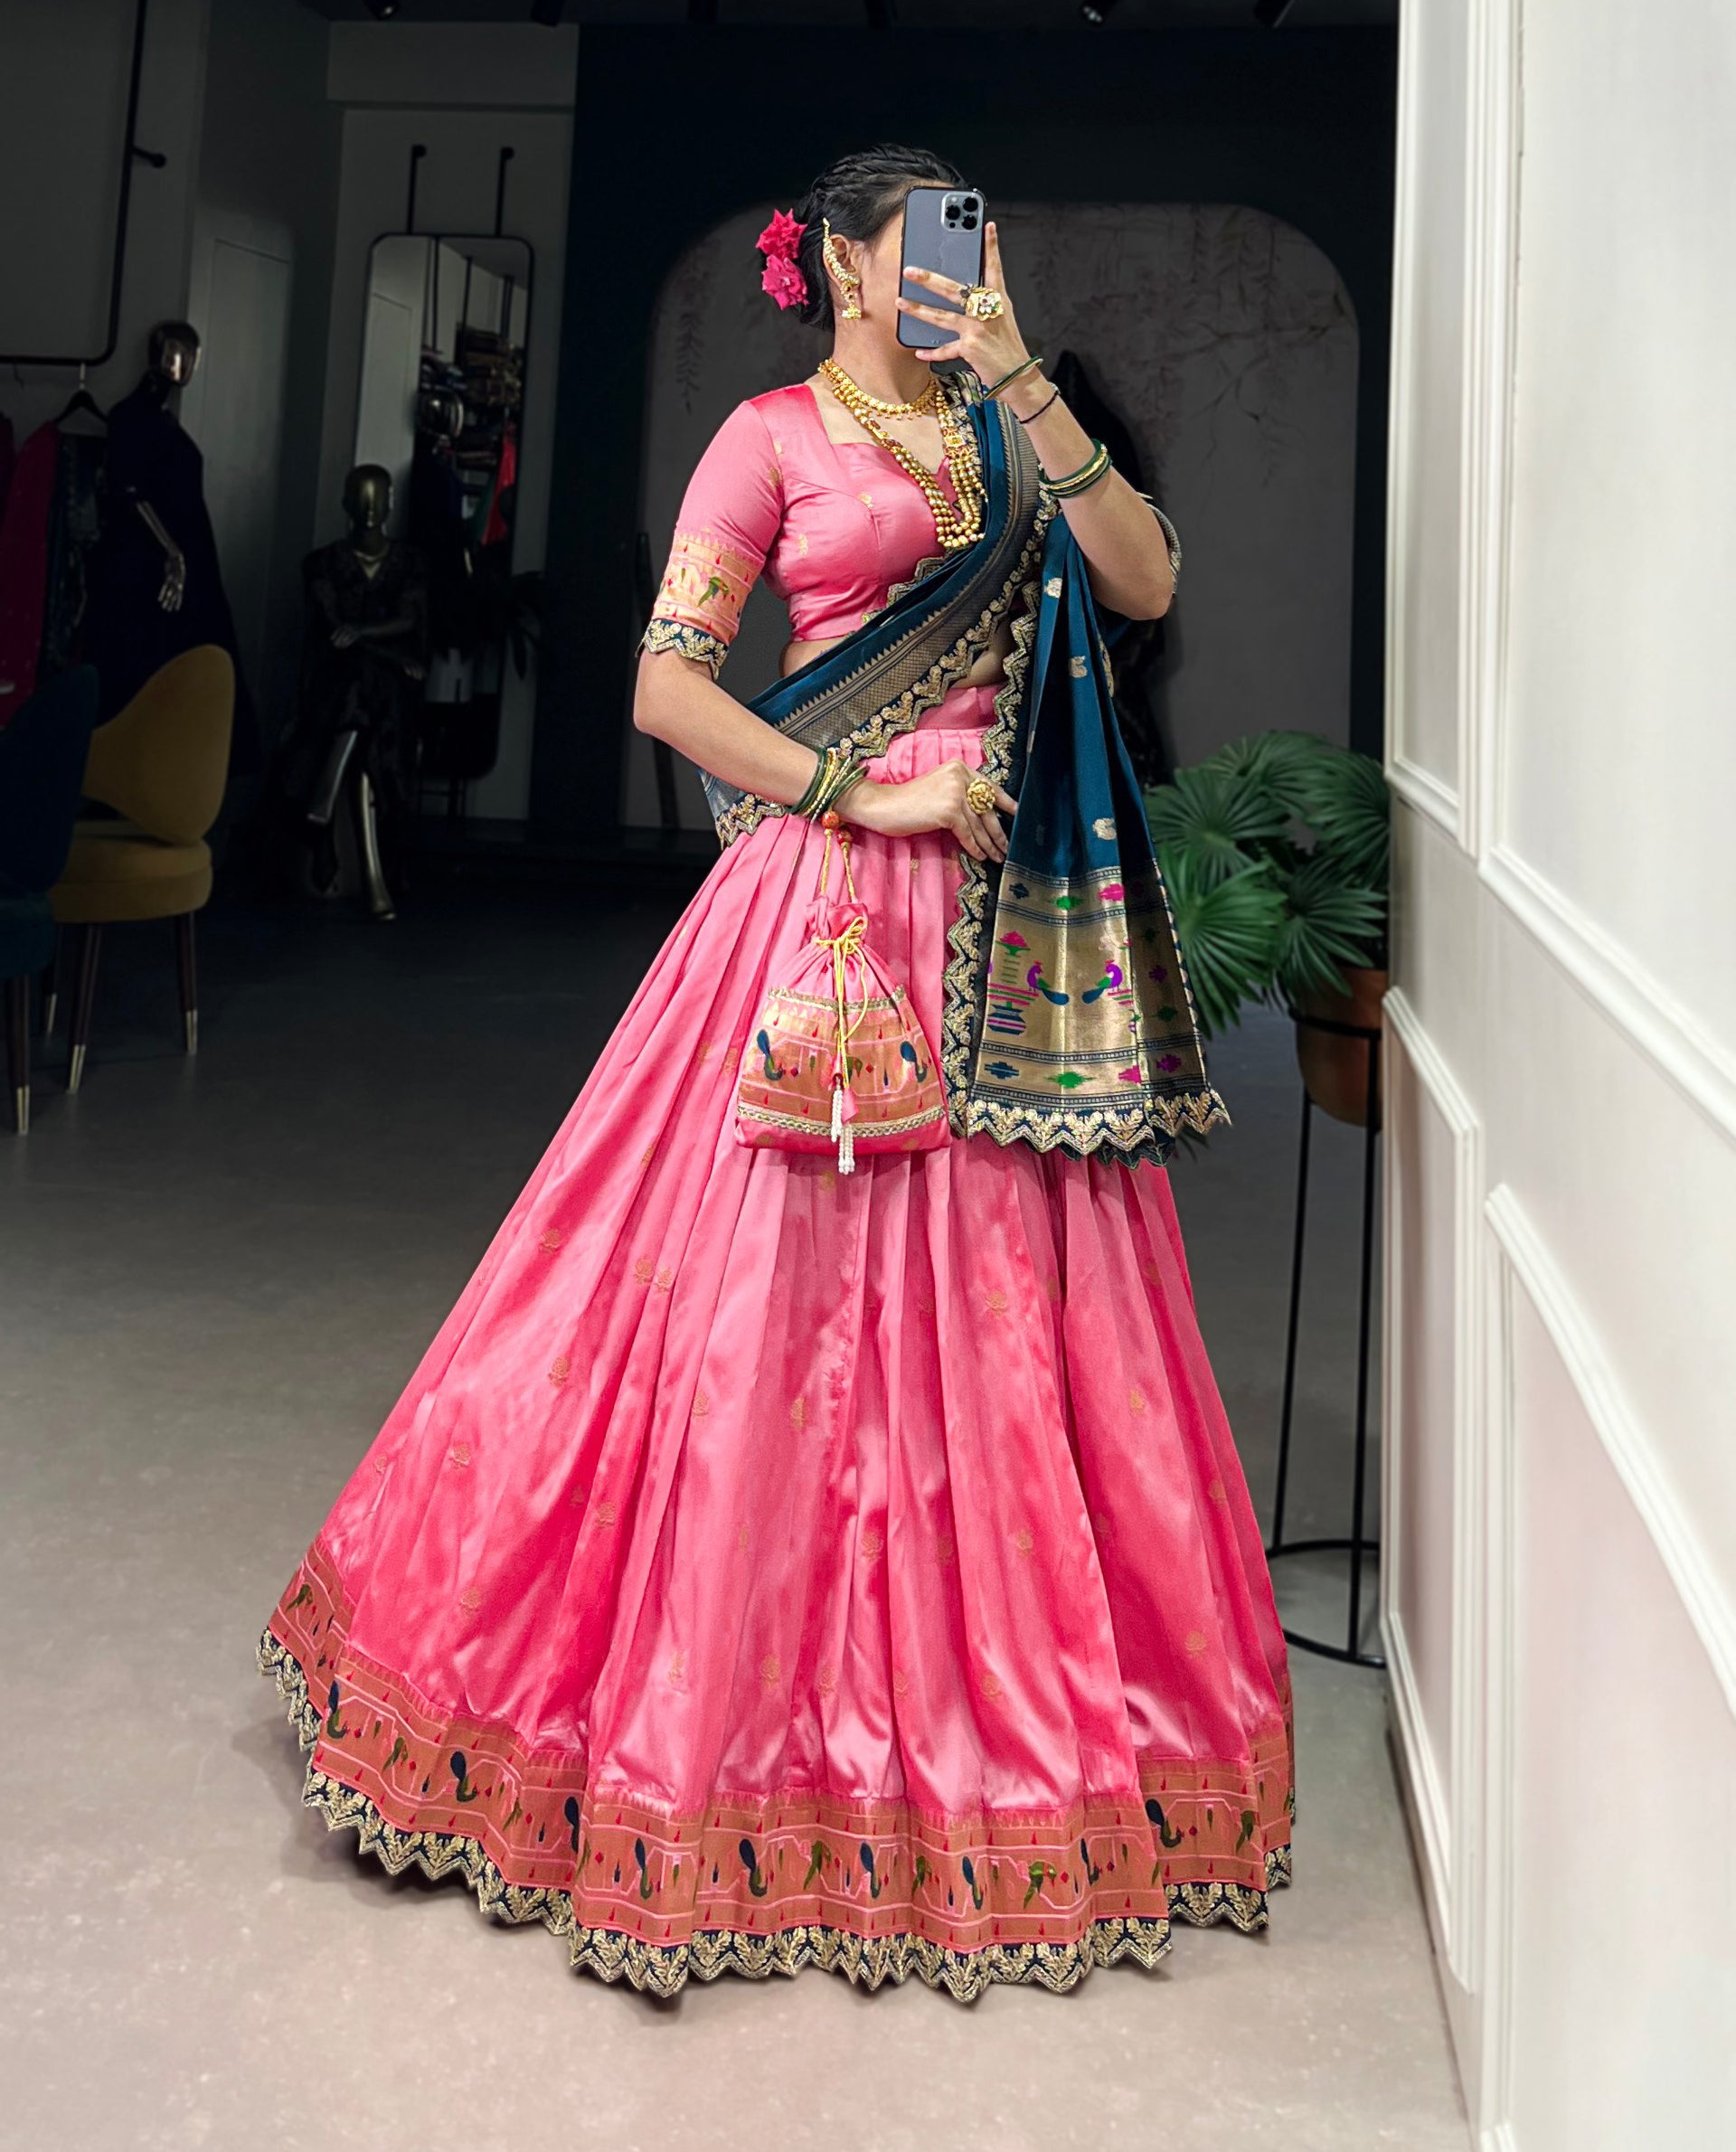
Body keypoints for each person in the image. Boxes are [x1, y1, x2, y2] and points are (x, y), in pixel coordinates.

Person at [259, 145, 1293, 2001]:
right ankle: (724, 1739)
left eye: (980, 237)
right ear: (840, 263)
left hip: (1005, 938)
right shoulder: (767, 440)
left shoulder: (1009, 432)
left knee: (1017, 1323)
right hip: (822, 916)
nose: (959, 266)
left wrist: (1023, 375)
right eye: (929, 242)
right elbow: (668, 688)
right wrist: (863, 790)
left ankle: (994, 1737)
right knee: (751, 1313)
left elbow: (1141, 579)